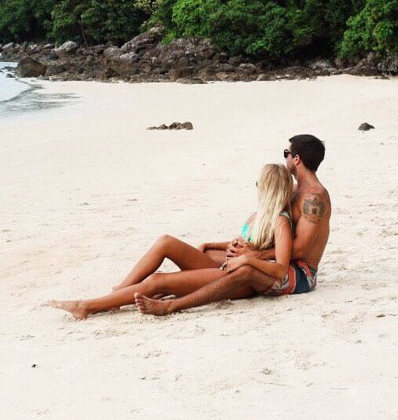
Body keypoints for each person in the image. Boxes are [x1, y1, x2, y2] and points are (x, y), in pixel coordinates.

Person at [47, 163, 295, 319]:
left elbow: (280, 268)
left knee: (158, 281)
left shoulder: (280, 222)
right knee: (165, 242)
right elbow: (241, 243)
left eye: (258, 183)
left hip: (237, 280)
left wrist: (244, 259)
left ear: (268, 189)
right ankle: (117, 293)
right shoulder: (257, 215)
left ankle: (87, 306)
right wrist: (215, 245)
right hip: (224, 267)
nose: (255, 187)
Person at [135, 134, 331, 317]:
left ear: (296, 159)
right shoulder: (294, 190)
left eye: (286, 154)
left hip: (300, 274)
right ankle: (173, 286)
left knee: (243, 268)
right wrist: (223, 245)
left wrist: (253, 255)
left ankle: (173, 303)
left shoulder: (313, 199)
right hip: (281, 262)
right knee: (210, 255)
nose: (285, 158)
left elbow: (301, 248)